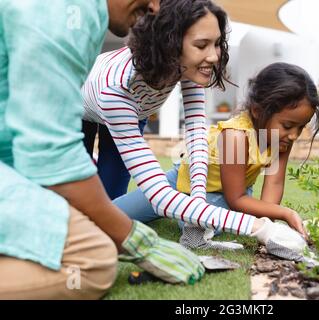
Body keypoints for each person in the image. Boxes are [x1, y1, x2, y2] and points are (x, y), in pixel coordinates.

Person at [0, 0, 205, 300]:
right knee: (93, 260)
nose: (154, 7)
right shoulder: (66, 15)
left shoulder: (93, 14)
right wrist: (136, 240)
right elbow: (53, 156)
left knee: (91, 215)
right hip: (87, 113)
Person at [81, 0, 312, 257]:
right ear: (169, 44)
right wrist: (261, 229)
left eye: (216, 43)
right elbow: (159, 195)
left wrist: (197, 210)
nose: (214, 56)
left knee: (111, 199)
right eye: (202, 45)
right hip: (81, 109)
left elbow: (197, 141)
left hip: (135, 111)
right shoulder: (117, 88)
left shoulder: (186, 68)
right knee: (82, 202)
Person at [114, 62, 319, 258]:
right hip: (182, 185)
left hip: (227, 193)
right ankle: (183, 213)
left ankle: (187, 215)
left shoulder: (281, 137)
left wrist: (267, 223)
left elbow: (274, 183)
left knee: (218, 221)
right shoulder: (236, 137)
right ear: (259, 111)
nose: (294, 135)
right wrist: (285, 213)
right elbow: (237, 199)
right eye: (288, 125)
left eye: (300, 127)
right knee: (115, 214)